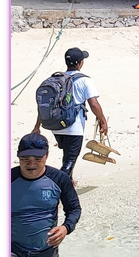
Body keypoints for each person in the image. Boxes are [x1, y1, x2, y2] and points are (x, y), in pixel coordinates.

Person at [12, 133, 81, 257]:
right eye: (25, 158)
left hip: (45, 250)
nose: (31, 163)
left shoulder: (59, 179)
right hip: (11, 248)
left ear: (47, 156)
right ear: (18, 156)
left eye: (37, 158)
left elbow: (74, 209)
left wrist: (65, 228)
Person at [33, 48, 107, 181]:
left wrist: (37, 126)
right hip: (73, 128)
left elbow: (45, 105)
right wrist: (103, 121)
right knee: (70, 161)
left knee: (67, 156)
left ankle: (69, 182)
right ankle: (57, 188)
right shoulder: (85, 80)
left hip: (55, 126)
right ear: (80, 63)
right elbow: (94, 103)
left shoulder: (55, 79)